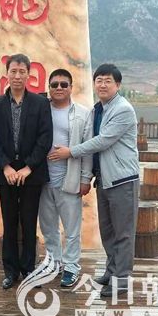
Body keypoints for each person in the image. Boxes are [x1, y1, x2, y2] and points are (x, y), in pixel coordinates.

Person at [48, 63, 139, 298]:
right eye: (99, 80)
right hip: (105, 180)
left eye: (108, 81)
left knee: (123, 233)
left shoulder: (122, 109)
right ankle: (111, 272)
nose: (103, 85)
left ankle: (121, 280)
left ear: (118, 85)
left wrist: (70, 152)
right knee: (108, 231)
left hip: (122, 180)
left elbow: (102, 141)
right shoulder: (98, 109)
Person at [0, 53, 53, 290]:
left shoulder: (40, 103)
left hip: (32, 174)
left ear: (28, 74)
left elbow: (45, 138)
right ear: (7, 74)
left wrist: (28, 167)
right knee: (9, 223)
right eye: (13, 71)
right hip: (5, 174)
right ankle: (10, 271)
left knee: (28, 222)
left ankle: (28, 269)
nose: (17, 76)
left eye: (22, 72)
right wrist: (5, 166)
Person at [39, 68, 92, 288]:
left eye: (63, 84)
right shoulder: (41, 110)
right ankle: (55, 262)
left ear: (71, 87)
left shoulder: (83, 113)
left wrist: (85, 178)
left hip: (69, 178)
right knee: (48, 227)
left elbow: (88, 148)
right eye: (54, 85)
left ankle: (71, 266)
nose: (59, 88)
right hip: (43, 179)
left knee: (72, 228)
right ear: (49, 88)